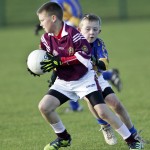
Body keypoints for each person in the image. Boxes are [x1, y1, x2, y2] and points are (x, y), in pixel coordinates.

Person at [27, 2, 143, 149]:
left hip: (84, 78)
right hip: (64, 81)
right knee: (44, 107)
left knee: (104, 111)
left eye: (42, 20)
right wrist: (35, 66)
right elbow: (44, 57)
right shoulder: (45, 39)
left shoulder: (74, 35)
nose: (41, 24)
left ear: (53, 18)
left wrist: (59, 61)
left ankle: (132, 140)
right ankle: (63, 138)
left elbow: (83, 58)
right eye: (88, 29)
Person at [78, 13, 144, 147]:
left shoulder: (99, 43)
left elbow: (104, 63)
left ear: (99, 31)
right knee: (93, 101)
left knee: (116, 104)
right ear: (79, 30)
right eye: (88, 29)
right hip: (79, 81)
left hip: (97, 77)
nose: (91, 33)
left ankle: (134, 134)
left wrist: (95, 63)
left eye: (95, 29)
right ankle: (104, 126)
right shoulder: (73, 44)